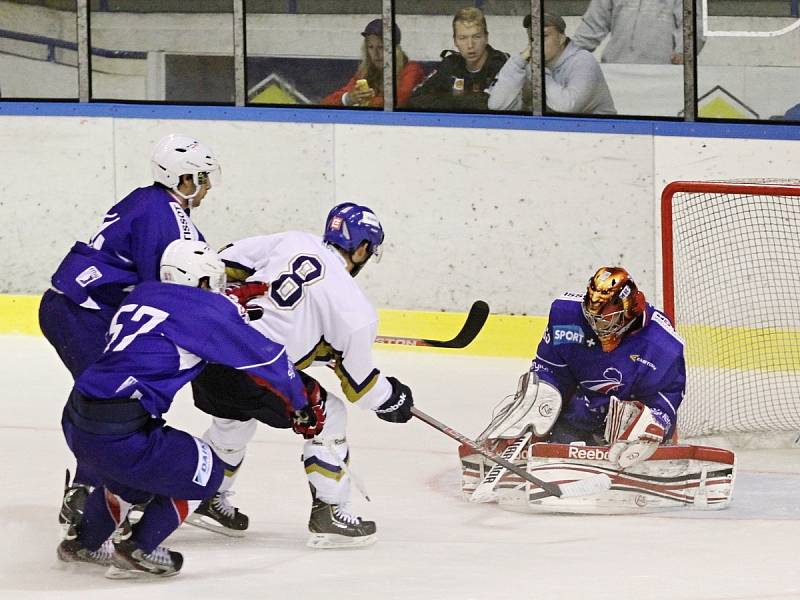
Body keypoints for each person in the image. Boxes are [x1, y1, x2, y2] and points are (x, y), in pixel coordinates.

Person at [56, 240, 316, 578]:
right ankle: (138, 547)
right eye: (214, 282)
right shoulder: (206, 312)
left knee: (128, 479)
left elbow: (181, 316)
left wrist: (227, 309)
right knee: (208, 472)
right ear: (202, 281)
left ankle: (82, 543)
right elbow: (271, 360)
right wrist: (301, 403)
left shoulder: (144, 292)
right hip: (120, 430)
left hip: (78, 419)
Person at [188, 203, 415, 548]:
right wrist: (393, 397)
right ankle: (330, 512)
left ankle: (206, 497)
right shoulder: (354, 308)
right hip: (259, 372)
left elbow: (226, 261)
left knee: (233, 423)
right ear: (363, 248)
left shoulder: (293, 240)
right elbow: (362, 386)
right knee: (331, 416)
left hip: (212, 353)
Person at [37, 134, 232, 530]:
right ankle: (88, 495)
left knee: (111, 401)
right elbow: (166, 290)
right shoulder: (167, 219)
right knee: (112, 403)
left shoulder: (147, 199)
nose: (208, 187)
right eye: (202, 178)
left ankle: (104, 491)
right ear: (182, 180)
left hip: (73, 307)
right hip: (82, 314)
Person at [463, 266, 685, 480]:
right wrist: (538, 397)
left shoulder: (662, 344)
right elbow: (551, 369)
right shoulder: (567, 316)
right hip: (583, 409)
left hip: (624, 422)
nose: (597, 324)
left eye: (606, 316)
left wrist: (655, 421)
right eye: (592, 314)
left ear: (627, 310)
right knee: (541, 400)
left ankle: (630, 461)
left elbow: (667, 396)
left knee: (628, 418)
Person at [488, 13, 616, 115]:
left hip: (603, 137)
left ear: (561, 38)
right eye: (532, 38)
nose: (536, 43)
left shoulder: (583, 61)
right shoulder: (528, 66)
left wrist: (539, 73)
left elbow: (567, 107)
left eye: (543, 36)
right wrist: (518, 62)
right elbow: (496, 106)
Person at [408, 7, 508, 111]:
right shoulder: (450, 64)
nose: (470, 45)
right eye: (463, 38)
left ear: (486, 38)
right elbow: (417, 98)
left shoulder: (502, 65)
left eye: (476, 37)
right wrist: (458, 100)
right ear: (455, 41)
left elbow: (489, 105)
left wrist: (447, 99)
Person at [321, 18, 424, 109]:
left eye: (381, 47)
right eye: (371, 47)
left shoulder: (411, 70)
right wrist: (349, 98)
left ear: (395, 49)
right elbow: (326, 102)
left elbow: (399, 100)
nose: (376, 54)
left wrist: (365, 101)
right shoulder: (365, 72)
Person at [571, 0, 689, 64]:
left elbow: (692, 24)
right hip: (616, 70)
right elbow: (592, 27)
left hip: (663, 72)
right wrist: (566, 55)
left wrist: (683, 52)